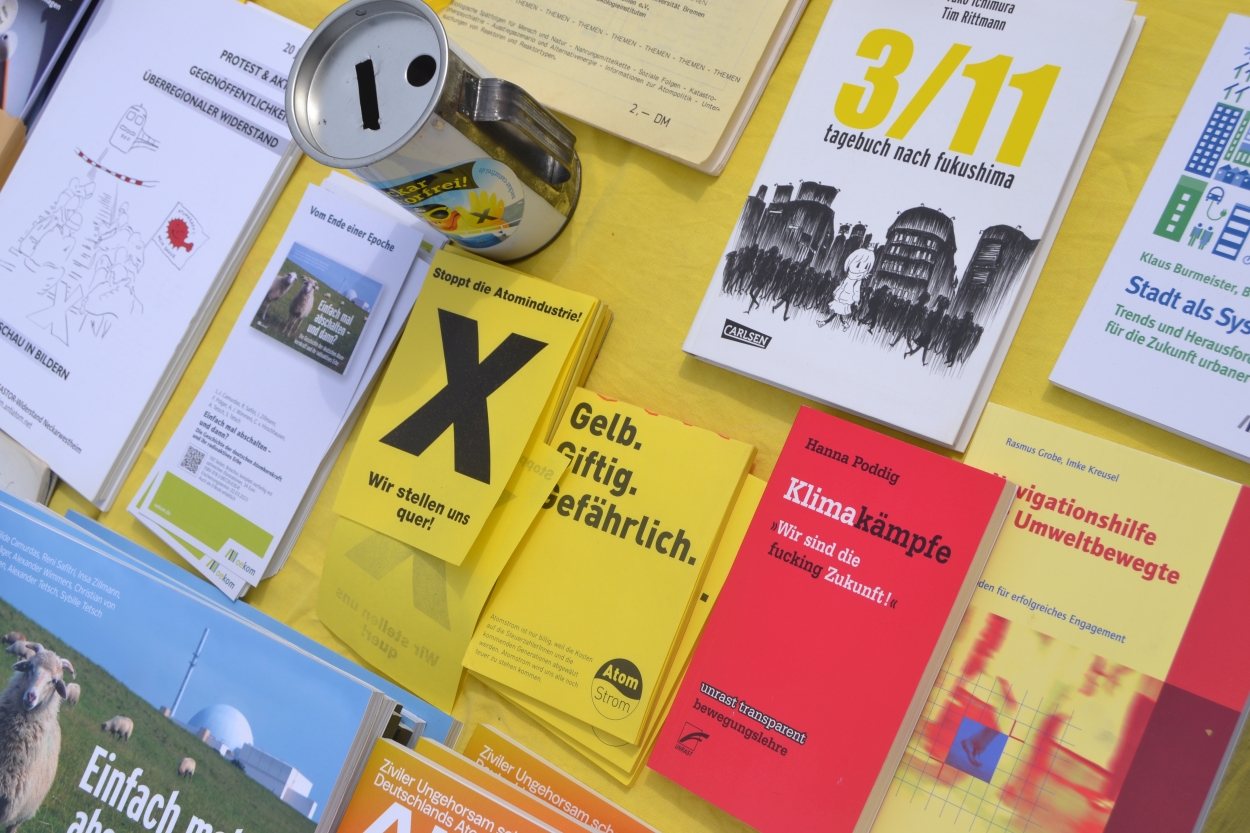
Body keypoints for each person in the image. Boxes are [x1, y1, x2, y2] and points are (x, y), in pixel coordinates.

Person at [818, 247, 874, 329]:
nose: (860, 269)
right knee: (839, 313)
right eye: (858, 265)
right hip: (842, 296)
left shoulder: (857, 280)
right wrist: (837, 291)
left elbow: (856, 290)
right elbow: (843, 285)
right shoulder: (849, 277)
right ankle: (844, 324)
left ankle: (824, 322)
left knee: (837, 312)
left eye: (865, 267)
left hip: (847, 297)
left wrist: (856, 300)